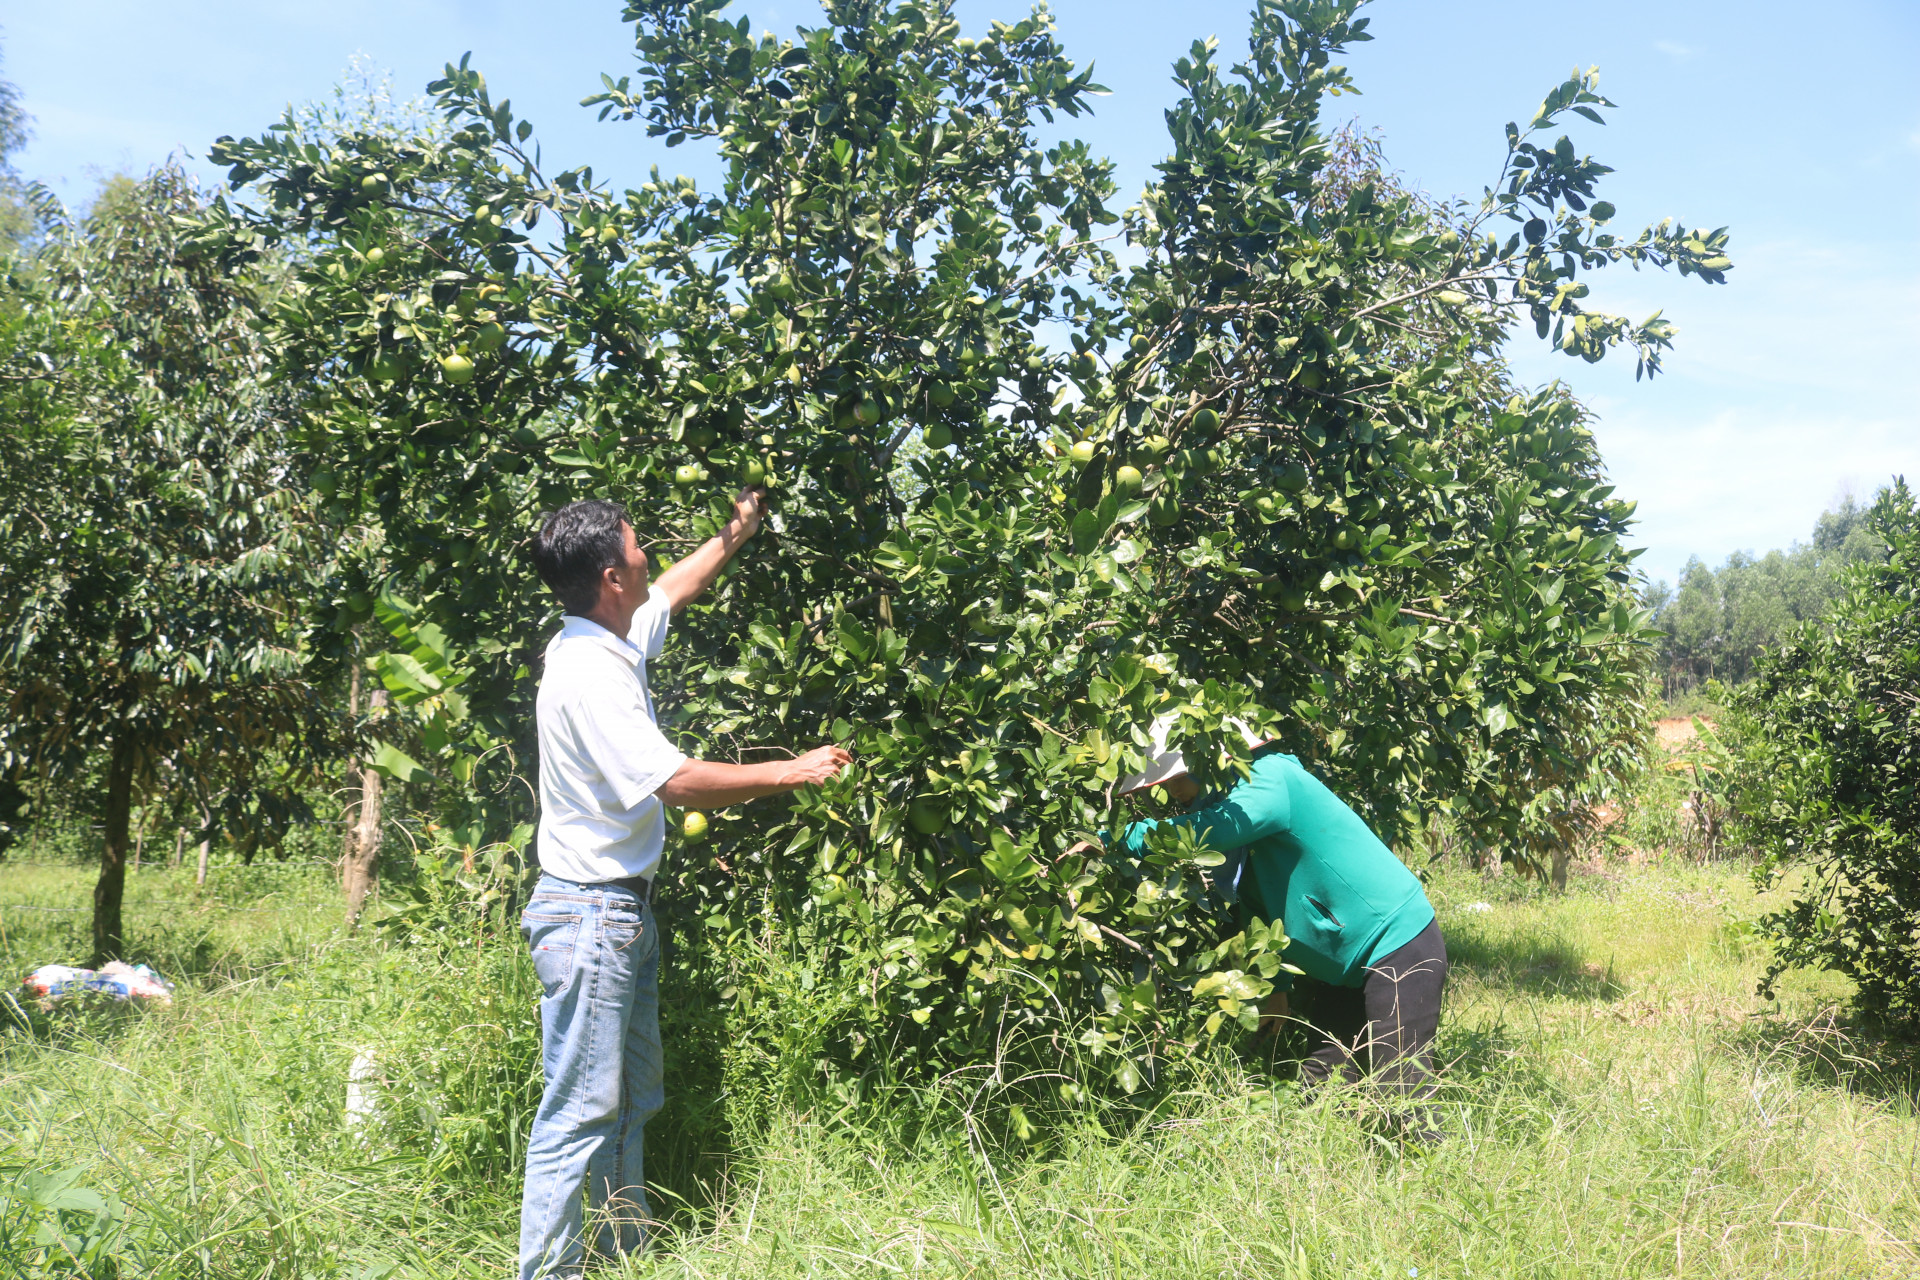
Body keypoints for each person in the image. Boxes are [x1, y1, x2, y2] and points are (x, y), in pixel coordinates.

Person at [521, 491, 853, 1280]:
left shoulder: (606, 634)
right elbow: (673, 782)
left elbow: (672, 589)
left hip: (618, 914)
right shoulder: (589, 674)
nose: (646, 558)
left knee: (631, 1104)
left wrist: (733, 537)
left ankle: (618, 1257)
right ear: (610, 575)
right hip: (590, 916)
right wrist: (791, 771)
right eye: (636, 550)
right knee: (577, 1114)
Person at [1114, 720, 1447, 1136]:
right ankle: (1325, 1182)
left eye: (1178, 778)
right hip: (1341, 969)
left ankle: (1429, 1182)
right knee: (1321, 1085)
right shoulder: (1241, 812)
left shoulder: (1271, 780)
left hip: (1396, 943)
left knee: (1400, 1089)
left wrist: (1126, 838)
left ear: (1209, 760)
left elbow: (1212, 832)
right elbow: (1255, 908)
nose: (1174, 792)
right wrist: (1277, 989)